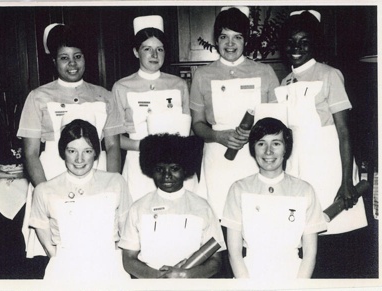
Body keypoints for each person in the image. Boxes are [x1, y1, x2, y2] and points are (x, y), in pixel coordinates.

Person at [17, 23, 124, 259]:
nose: (72, 63)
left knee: (99, 249)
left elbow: (113, 146)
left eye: (77, 56)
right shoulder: (37, 97)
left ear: (85, 58)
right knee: (58, 251)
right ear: (54, 62)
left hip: (97, 173)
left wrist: (112, 187)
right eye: (64, 58)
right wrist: (46, 194)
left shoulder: (104, 95)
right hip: (53, 175)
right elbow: (31, 153)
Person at [276, 10, 368, 277]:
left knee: (334, 236)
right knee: (305, 239)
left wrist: (347, 181)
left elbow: (344, 131)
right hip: (298, 165)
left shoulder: (329, 74)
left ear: (314, 44)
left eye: (304, 41)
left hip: (328, 166)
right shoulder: (285, 82)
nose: (296, 48)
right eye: (291, 41)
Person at [189, 6, 280, 277]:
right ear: (216, 40)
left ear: (246, 40)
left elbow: (275, 122)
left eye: (237, 37)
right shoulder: (202, 76)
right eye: (225, 37)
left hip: (256, 160)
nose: (231, 44)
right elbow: (197, 125)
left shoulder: (264, 72)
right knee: (221, 224)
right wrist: (219, 136)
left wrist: (253, 138)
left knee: (255, 221)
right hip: (218, 159)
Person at [29, 119, 132, 288]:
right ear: (63, 152)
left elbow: (126, 229)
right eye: (72, 151)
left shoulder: (115, 182)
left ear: (95, 153)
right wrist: (62, 260)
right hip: (65, 270)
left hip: (110, 268)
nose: (79, 159)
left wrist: (114, 259)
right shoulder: (45, 190)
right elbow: (47, 242)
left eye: (87, 151)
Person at [222, 117, 327, 280]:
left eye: (276, 143)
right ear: (253, 149)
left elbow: (310, 253)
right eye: (261, 143)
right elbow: (234, 253)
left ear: (286, 149)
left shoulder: (304, 190)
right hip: (249, 277)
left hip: (294, 277)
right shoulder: (239, 189)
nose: (268, 151)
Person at [112, 15, 196, 202]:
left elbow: (188, 131)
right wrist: (144, 146)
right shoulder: (122, 87)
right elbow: (115, 139)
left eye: (159, 49)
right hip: (139, 165)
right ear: (136, 52)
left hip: (176, 163)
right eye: (147, 49)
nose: (154, 55)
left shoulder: (179, 84)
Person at [119, 134, 225, 278]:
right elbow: (129, 260)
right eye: (160, 169)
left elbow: (216, 262)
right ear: (151, 169)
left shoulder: (202, 207)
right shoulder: (138, 208)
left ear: (186, 169)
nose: (166, 175)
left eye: (174, 168)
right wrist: (157, 277)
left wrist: (184, 275)